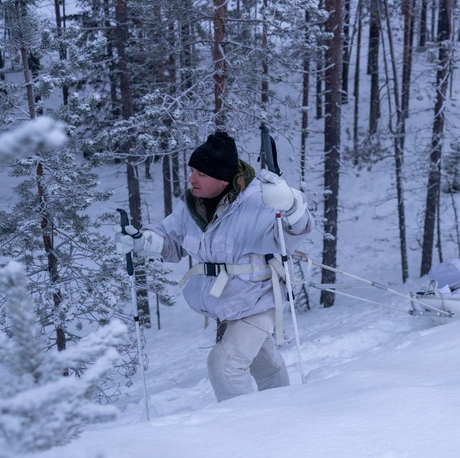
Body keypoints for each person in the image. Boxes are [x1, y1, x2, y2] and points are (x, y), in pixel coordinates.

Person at [116, 131, 313, 402]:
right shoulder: (194, 206)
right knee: (264, 364)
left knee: (224, 366)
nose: (192, 178)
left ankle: (244, 431)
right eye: (192, 170)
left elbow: (296, 230)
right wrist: (145, 242)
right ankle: (284, 410)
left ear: (223, 179)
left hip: (258, 298)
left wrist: (290, 203)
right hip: (226, 303)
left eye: (201, 174)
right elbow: (170, 238)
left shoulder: (260, 199)